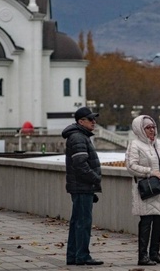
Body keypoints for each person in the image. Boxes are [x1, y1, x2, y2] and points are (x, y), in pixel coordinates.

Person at [126, 115, 160, 266]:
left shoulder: (159, 144)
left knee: (159, 221)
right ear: (140, 130)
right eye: (148, 128)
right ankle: (143, 256)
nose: (151, 130)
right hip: (147, 189)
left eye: (153, 127)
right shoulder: (135, 145)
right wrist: (150, 172)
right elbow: (131, 166)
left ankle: (155, 253)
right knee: (146, 222)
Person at [62, 106, 104, 266]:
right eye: (91, 119)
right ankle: (82, 256)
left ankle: (73, 256)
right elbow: (80, 165)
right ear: (81, 121)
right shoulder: (78, 138)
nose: (94, 122)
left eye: (94, 118)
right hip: (82, 186)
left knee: (76, 222)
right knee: (83, 222)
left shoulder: (78, 136)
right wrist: (95, 179)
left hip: (79, 186)